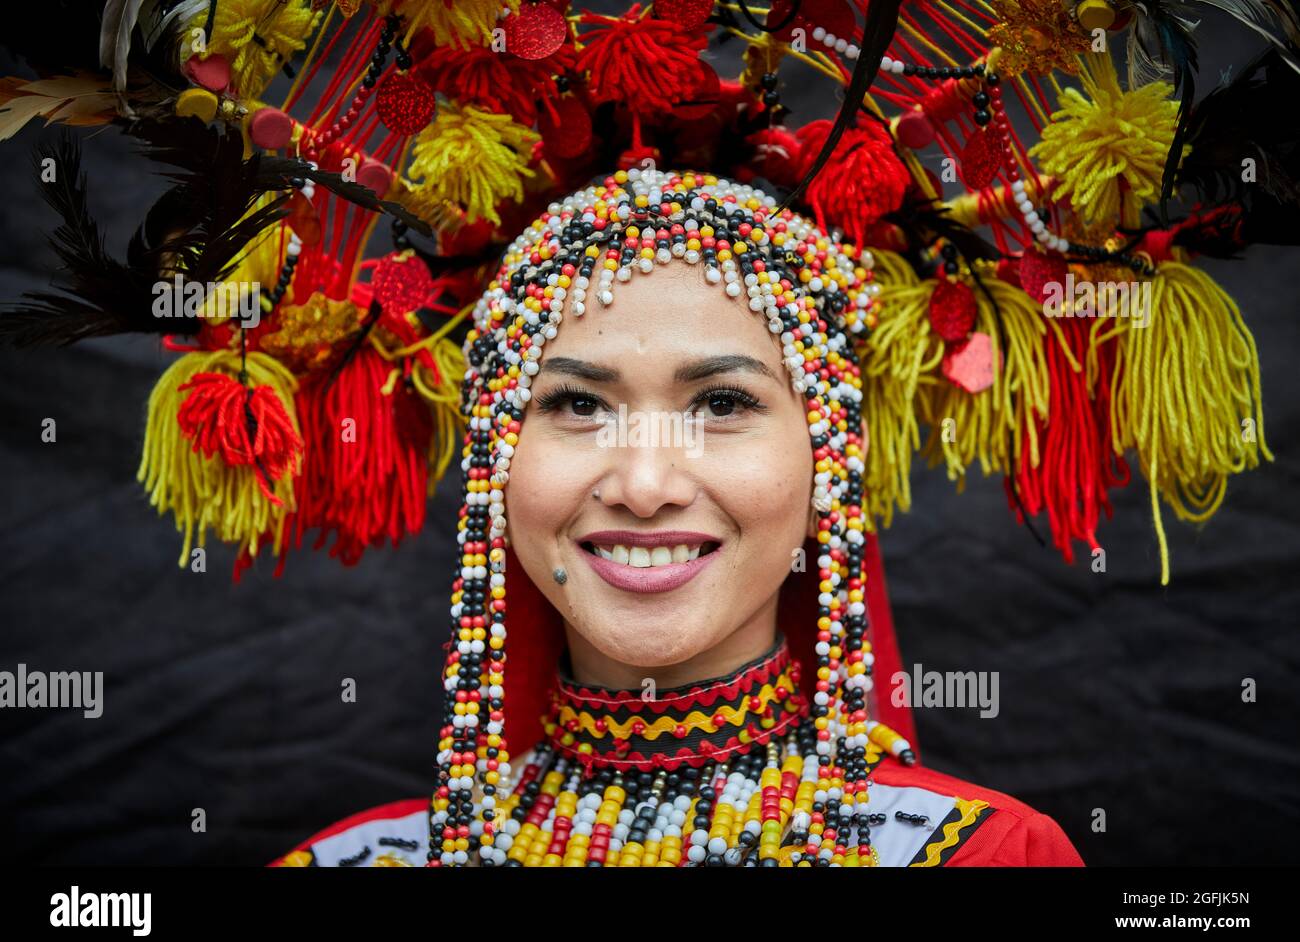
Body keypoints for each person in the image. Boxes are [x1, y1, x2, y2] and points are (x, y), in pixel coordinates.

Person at [271, 167, 1084, 868]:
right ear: (493, 463)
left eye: (722, 403)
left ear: (831, 459)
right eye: (578, 403)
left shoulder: (979, 854)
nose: (646, 482)